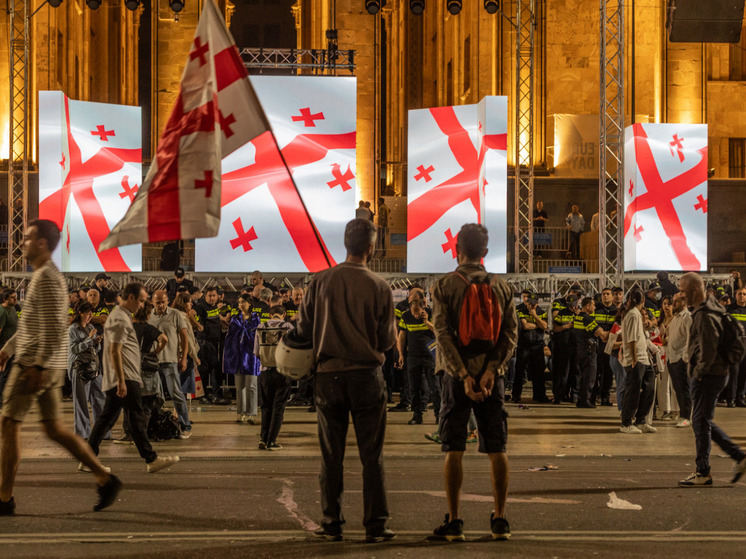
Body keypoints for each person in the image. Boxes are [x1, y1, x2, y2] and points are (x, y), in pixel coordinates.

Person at [0, 219, 121, 515]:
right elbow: (34, 325)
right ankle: (105, 479)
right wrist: (8, 348)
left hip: (34, 364)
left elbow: (55, 328)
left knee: (8, 423)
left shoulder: (47, 278)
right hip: (41, 363)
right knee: (54, 429)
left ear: (41, 243)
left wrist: (37, 365)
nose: (22, 243)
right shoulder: (44, 276)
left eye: (27, 238)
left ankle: (4, 498)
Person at [297, 218, 396, 543]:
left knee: (331, 454)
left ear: (345, 243)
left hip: (328, 377)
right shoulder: (379, 287)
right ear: (371, 248)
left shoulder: (320, 282)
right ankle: (376, 525)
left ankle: (332, 522)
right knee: (372, 455)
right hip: (367, 377)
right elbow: (385, 342)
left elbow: (302, 331)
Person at [429, 223, 518, 542]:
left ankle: (454, 521)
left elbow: (441, 334)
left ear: (457, 249)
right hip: (493, 377)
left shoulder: (444, 285)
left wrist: (464, 375)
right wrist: (492, 370)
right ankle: (500, 520)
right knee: (498, 447)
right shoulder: (502, 286)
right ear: (485, 252)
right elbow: (510, 335)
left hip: (456, 378)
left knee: (453, 446)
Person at [86, 282, 179, 474]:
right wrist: (121, 379)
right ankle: (151, 459)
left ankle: (87, 458)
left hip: (124, 376)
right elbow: (114, 350)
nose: (143, 305)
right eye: (142, 300)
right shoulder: (119, 318)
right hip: (125, 376)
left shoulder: (122, 317)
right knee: (136, 417)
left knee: (107, 419)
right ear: (131, 298)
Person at [678, 272, 746, 486]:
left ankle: (704, 472)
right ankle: (737, 458)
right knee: (702, 420)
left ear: (694, 290)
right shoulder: (710, 309)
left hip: (709, 375)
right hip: (715, 373)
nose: (680, 295)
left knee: (700, 421)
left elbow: (709, 347)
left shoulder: (705, 315)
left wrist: (699, 372)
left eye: (682, 290)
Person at [149, 290, 192, 438]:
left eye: (163, 302)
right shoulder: (149, 317)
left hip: (170, 361)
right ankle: (158, 425)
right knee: (155, 396)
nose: (160, 305)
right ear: (152, 302)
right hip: (153, 363)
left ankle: (186, 425)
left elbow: (184, 338)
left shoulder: (175, 315)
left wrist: (184, 357)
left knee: (176, 395)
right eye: (158, 303)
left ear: (167, 301)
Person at [254, 305, 293, 449]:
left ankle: (263, 439)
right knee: (279, 407)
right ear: (283, 315)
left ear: (270, 315)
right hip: (282, 371)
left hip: (265, 371)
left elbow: (256, 353)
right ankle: (272, 440)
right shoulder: (288, 326)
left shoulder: (260, 327)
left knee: (266, 407)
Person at [397, 295, 439, 425]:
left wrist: (427, 322)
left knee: (435, 387)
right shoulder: (406, 316)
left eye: (418, 313)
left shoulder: (431, 313)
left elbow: (438, 332)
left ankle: (439, 415)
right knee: (414, 387)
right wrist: (401, 354)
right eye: (414, 312)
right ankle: (417, 414)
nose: (416, 316)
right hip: (413, 357)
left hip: (430, 356)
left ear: (423, 308)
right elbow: (402, 336)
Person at [68, 302, 108, 440]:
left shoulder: (91, 327)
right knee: (81, 402)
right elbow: (75, 349)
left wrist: (97, 343)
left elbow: (94, 350)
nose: (90, 316)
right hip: (80, 368)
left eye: (92, 313)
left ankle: (102, 432)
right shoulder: (73, 329)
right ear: (80, 313)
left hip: (93, 367)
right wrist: (89, 339)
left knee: (100, 398)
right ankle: (82, 433)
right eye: (87, 313)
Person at [619, 290, 656, 434]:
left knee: (649, 388)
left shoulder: (636, 314)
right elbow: (632, 339)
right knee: (633, 391)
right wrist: (634, 359)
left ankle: (641, 420)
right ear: (643, 300)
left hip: (644, 358)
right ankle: (626, 423)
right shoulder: (633, 314)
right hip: (636, 359)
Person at [223, 293, 260, 424]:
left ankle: (251, 413)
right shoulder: (235, 319)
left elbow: (257, 336)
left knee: (251, 386)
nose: (240, 304)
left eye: (243, 302)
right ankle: (241, 412)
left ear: (249, 303)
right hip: (238, 357)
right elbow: (230, 338)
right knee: (240, 387)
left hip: (251, 357)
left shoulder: (256, 319)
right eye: (239, 302)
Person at [195, 286, 231, 405]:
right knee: (205, 370)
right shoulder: (200, 307)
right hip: (205, 342)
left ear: (217, 296)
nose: (211, 298)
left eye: (214, 296)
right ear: (205, 296)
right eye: (209, 296)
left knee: (215, 369)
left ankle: (214, 394)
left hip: (215, 342)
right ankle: (204, 396)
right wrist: (199, 326)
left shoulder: (214, 306)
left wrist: (226, 324)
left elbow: (217, 318)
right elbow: (190, 314)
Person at [513, 293, 549, 404]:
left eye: (533, 305)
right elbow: (525, 326)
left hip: (537, 346)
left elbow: (545, 326)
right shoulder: (520, 311)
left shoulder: (542, 313)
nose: (531, 306)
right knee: (519, 371)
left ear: (537, 304)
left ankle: (539, 395)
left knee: (539, 373)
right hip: (524, 345)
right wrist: (538, 324)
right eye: (529, 304)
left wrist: (534, 316)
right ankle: (516, 395)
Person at [573, 297, 607, 408]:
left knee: (582, 376)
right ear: (587, 306)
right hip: (589, 352)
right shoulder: (588, 319)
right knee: (590, 376)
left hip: (580, 349)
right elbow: (601, 333)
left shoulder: (578, 317)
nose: (595, 307)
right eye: (593, 305)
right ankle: (585, 400)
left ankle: (580, 399)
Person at [666, 292, 692, 428]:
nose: (673, 304)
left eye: (676, 301)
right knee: (678, 389)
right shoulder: (676, 318)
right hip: (672, 357)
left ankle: (686, 416)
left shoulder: (688, 317)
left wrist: (685, 357)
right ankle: (683, 414)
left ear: (684, 302)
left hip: (681, 358)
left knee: (684, 389)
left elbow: (690, 338)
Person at [591, 288, 617, 406]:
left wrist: (607, 335)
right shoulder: (596, 310)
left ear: (612, 297)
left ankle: (605, 397)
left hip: (610, 345)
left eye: (608, 294)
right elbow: (592, 325)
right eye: (603, 294)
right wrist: (601, 334)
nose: (605, 296)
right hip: (597, 344)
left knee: (608, 374)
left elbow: (617, 327)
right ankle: (592, 397)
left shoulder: (616, 311)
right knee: (595, 373)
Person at [0, 288, 19, 405]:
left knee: (11, 373)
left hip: (14, 347)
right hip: (5, 347)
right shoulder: (2, 312)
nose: (15, 299)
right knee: (4, 374)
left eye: (15, 296)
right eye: (12, 297)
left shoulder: (13, 308)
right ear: (5, 299)